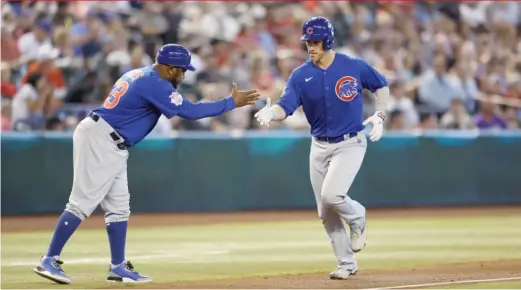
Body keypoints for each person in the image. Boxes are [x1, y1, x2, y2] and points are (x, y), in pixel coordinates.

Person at [33, 44, 260, 284]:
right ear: (169, 68)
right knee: (81, 202)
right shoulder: (156, 83)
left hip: (110, 139)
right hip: (102, 137)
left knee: (119, 208)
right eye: (181, 70)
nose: (183, 76)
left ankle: (118, 267)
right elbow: (190, 111)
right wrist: (230, 103)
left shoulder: (141, 74)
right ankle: (49, 259)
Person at [254, 17, 389, 280]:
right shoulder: (300, 74)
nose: (310, 47)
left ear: (327, 41)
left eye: (315, 42)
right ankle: (346, 263)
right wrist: (273, 112)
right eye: (307, 42)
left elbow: (381, 84)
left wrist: (381, 115)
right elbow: (287, 105)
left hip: (350, 142)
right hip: (318, 145)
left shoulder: (352, 65)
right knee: (325, 212)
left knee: (332, 195)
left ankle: (358, 216)